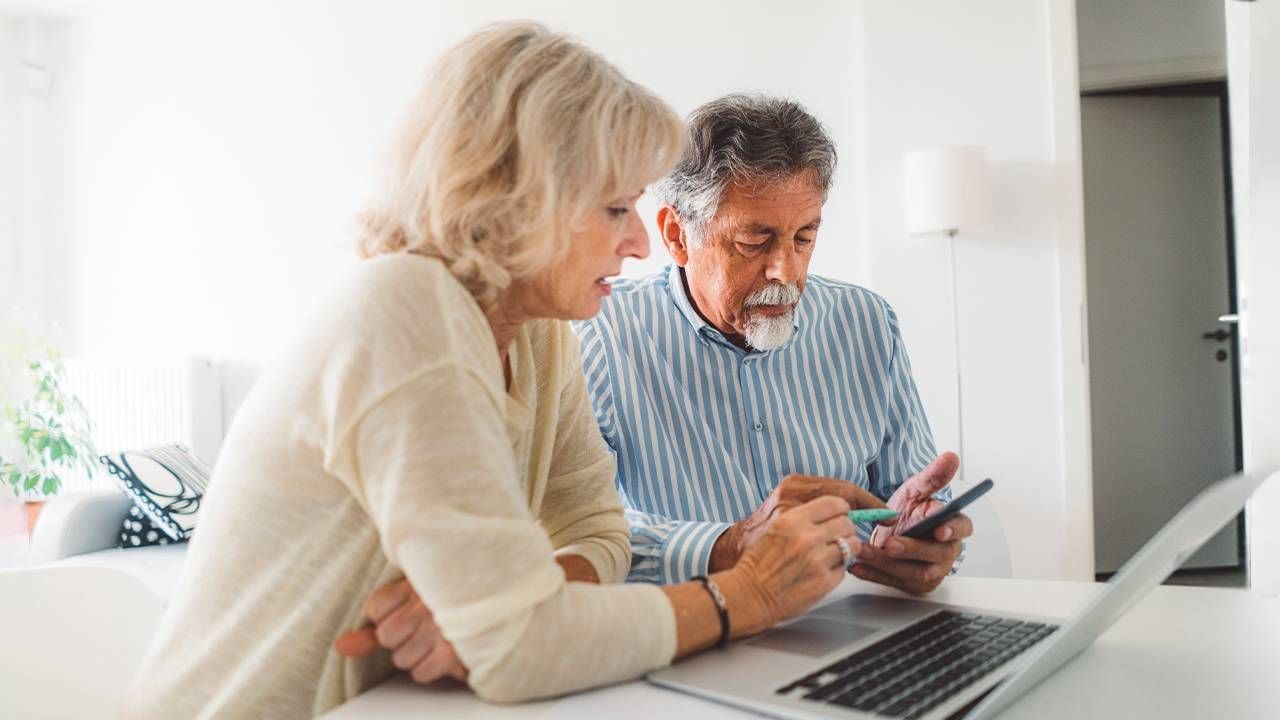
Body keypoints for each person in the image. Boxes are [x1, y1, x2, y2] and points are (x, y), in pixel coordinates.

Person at [120, 23, 889, 718]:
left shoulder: (536, 332)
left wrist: (509, 605)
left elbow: (596, 528)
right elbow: (519, 649)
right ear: (526, 199)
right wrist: (744, 596)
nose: (641, 247)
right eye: (616, 209)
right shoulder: (406, 308)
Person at [340, 95, 975, 686]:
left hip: (851, 631)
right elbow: (570, 532)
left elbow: (911, 493)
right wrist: (732, 550)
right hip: (680, 646)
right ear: (677, 235)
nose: (788, 270)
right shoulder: (592, 331)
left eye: (804, 236)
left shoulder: (866, 323)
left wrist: (924, 537)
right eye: (755, 240)